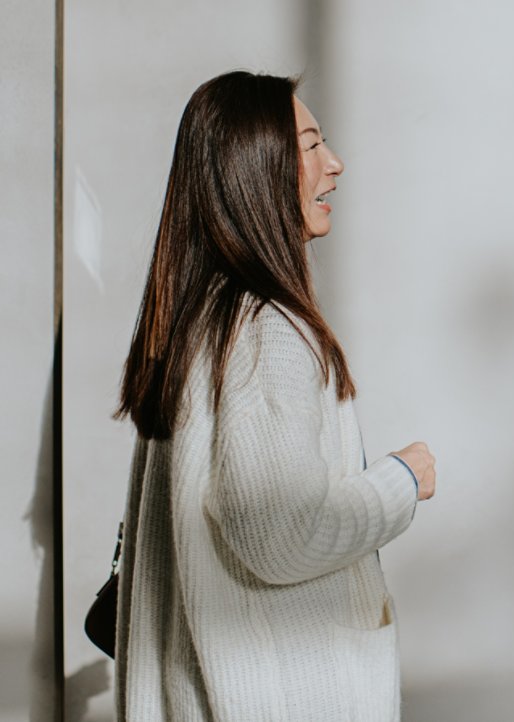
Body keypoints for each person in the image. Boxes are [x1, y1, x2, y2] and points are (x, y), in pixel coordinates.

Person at [112, 71, 436, 722]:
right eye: (312, 145)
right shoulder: (267, 331)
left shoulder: (200, 320)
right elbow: (279, 534)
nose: (335, 164)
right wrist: (403, 481)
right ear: (255, 169)